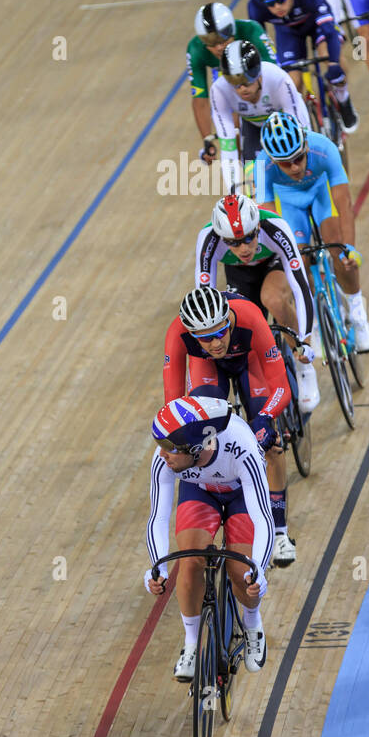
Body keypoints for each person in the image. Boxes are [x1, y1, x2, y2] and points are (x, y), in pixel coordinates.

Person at [163, 285, 297, 567]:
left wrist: (265, 417)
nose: (215, 343)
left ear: (228, 320)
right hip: (206, 368)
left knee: (269, 445)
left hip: (250, 360)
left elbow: (280, 387)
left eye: (220, 332)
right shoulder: (177, 333)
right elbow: (173, 403)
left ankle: (280, 530)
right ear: (191, 334)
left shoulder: (249, 316)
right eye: (205, 338)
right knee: (201, 429)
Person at [145, 395, 273, 679]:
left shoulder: (241, 446)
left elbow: (263, 517)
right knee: (189, 562)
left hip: (242, 495)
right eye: (160, 447)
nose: (162, 455)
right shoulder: (165, 457)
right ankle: (191, 644)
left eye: (169, 449)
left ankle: (252, 622)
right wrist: (158, 567)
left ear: (194, 447)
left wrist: (259, 571)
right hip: (200, 491)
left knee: (242, 572)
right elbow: (158, 516)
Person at [254, 111, 369, 351]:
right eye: (285, 163)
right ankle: (316, 320)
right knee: (298, 261)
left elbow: (344, 204)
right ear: (271, 159)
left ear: (306, 144)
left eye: (298, 157)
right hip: (288, 202)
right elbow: (269, 220)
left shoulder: (324, 148)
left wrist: (349, 250)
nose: (294, 167)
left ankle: (357, 312)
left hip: (320, 193)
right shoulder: (261, 166)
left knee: (337, 246)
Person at [195, 191, 320, 414]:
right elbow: (205, 302)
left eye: (248, 238)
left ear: (258, 228)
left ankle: (302, 367)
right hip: (239, 273)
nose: (243, 248)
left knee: (272, 298)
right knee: (241, 324)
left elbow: (299, 287)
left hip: (273, 263)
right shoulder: (208, 239)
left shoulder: (275, 226)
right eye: (233, 242)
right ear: (221, 237)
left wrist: (306, 340)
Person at [248, 0, 359, 130]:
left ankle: (344, 99)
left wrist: (334, 64)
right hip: (288, 33)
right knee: (291, 82)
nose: (277, 7)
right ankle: (298, 126)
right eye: (270, 4)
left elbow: (329, 32)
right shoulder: (256, 7)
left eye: (280, 0)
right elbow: (259, 45)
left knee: (329, 55)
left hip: (317, 25)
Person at [210, 39, 310, 192]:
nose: (242, 88)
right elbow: (228, 149)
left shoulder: (278, 79)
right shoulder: (219, 90)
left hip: (286, 124)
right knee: (255, 187)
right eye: (235, 83)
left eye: (246, 81)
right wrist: (234, 195)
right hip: (253, 127)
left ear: (259, 75)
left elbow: (303, 132)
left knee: (299, 175)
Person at [186, 2, 275, 167]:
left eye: (222, 39)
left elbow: (275, 75)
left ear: (233, 30)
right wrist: (207, 139)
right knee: (233, 129)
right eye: (210, 41)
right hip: (226, 79)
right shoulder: (196, 48)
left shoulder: (251, 30)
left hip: (258, 76)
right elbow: (200, 100)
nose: (218, 47)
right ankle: (244, 167)